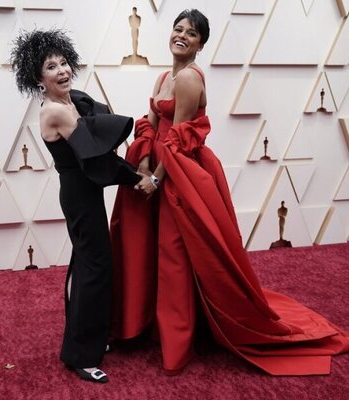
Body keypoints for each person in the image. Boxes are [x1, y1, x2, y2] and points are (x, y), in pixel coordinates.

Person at [110, 9, 349, 376]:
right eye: (178, 29)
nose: (182, 36)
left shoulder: (189, 79)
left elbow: (176, 140)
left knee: (175, 252)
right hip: (158, 166)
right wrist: (140, 164)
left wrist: (155, 179)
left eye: (191, 33)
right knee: (152, 246)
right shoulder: (163, 76)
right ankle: (150, 324)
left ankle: (178, 336)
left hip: (179, 173)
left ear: (200, 44)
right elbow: (152, 125)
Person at [10, 28, 141, 383]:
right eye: (51, 67)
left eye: (64, 62)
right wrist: (138, 178)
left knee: (90, 266)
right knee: (95, 269)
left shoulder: (70, 102)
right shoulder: (56, 111)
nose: (62, 70)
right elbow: (97, 160)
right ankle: (81, 356)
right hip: (80, 196)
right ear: (39, 78)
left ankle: (91, 340)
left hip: (85, 193)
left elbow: (99, 131)